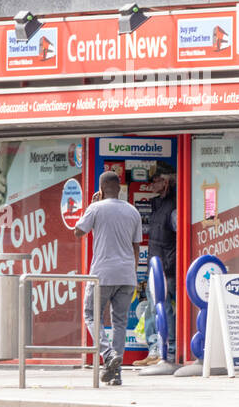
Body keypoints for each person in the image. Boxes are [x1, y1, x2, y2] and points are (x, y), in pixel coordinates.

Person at [74, 171, 143, 386]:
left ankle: (109, 354)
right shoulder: (133, 211)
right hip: (127, 275)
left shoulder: (96, 208)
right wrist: (131, 269)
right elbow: (136, 246)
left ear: (101, 189)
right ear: (120, 188)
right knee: (120, 321)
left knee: (90, 313)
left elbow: (78, 231)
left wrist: (91, 206)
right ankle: (116, 373)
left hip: (102, 274)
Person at [139, 161, 178, 365]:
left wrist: (169, 263)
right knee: (152, 308)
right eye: (151, 180)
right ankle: (155, 350)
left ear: (167, 181)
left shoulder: (174, 205)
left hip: (167, 266)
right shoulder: (157, 204)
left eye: (156, 180)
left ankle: (169, 349)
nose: (151, 183)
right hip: (155, 265)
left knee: (165, 309)